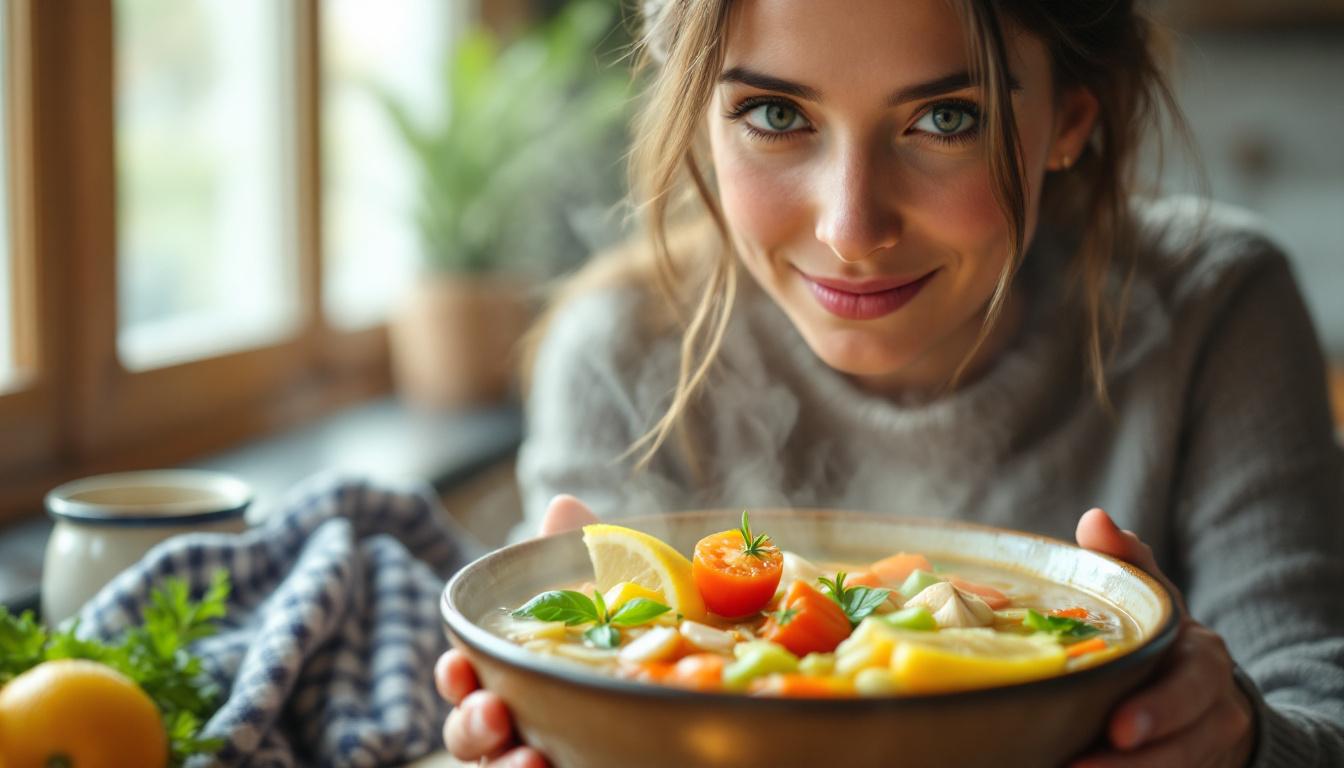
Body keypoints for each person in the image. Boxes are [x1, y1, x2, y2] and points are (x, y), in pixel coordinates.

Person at [435, 0, 1344, 765]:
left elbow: (1320, 703)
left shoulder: (1218, 309)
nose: (851, 228)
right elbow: (563, 667)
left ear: (1071, 118)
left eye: (947, 118)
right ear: (697, 113)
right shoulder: (621, 352)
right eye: (776, 114)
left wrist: (1240, 737)